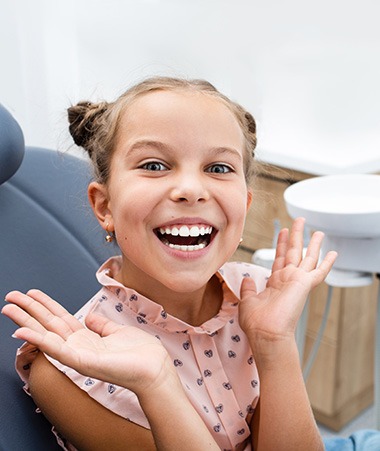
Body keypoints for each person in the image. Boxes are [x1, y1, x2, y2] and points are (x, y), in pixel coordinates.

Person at [1, 76, 372, 450]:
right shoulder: (66, 373)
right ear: (105, 206)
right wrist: (156, 383)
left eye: (219, 168)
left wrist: (273, 344)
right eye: (154, 165)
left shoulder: (258, 300)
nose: (192, 190)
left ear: (243, 206)